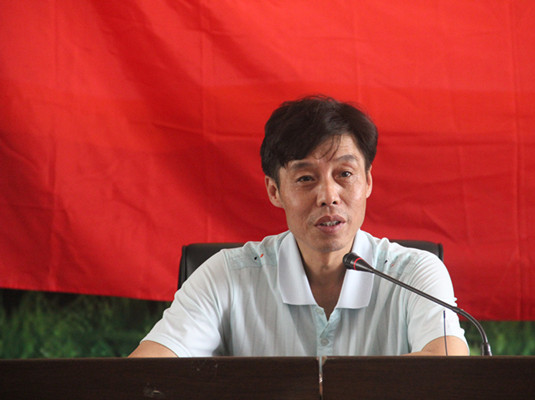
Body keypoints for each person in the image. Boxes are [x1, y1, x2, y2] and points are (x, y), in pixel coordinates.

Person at [130, 95, 469, 357]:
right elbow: (147, 373)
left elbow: (447, 368)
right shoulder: (225, 276)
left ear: (367, 181)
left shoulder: (414, 274)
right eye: (306, 178)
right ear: (274, 191)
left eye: (344, 174)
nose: (328, 196)